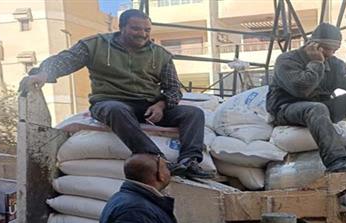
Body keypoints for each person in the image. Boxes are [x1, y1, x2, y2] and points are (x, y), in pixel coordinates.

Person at [22, 9, 213, 180]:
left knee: (193, 113)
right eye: (136, 28)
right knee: (117, 109)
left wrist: (161, 105)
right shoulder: (95, 45)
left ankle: (189, 161)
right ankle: (156, 160)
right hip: (109, 102)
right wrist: (43, 74)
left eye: (147, 30)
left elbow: (173, 89)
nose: (142, 34)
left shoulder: (160, 54)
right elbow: (65, 60)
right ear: (121, 28)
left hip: (147, 106)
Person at [267, 23, 346, 173]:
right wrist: (316, 63)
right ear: (313, 44)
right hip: (287, 109)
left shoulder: (333, 63)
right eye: (327, 48)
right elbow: (301, 89)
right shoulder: (287, 60)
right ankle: (336, 161)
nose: (330, 53)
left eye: (334, 50)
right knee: (317, 108)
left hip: (321, 110)